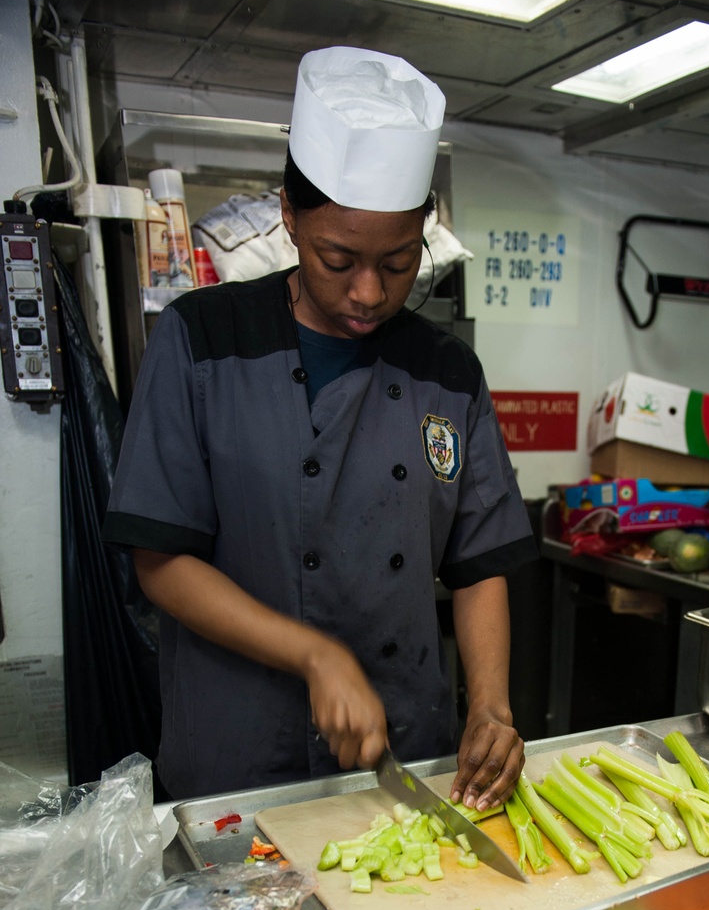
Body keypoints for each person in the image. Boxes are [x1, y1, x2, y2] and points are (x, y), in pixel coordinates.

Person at [103, 47, 536, 807]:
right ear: (289, 216)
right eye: (339, 258)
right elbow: (159, 562)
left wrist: (491, 703)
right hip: (239, 765)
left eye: (400, 262)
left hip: (406, 757)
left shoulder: (448, 371)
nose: (369, 292)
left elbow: (478, 562)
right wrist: (313, 655)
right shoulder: (202, 338)